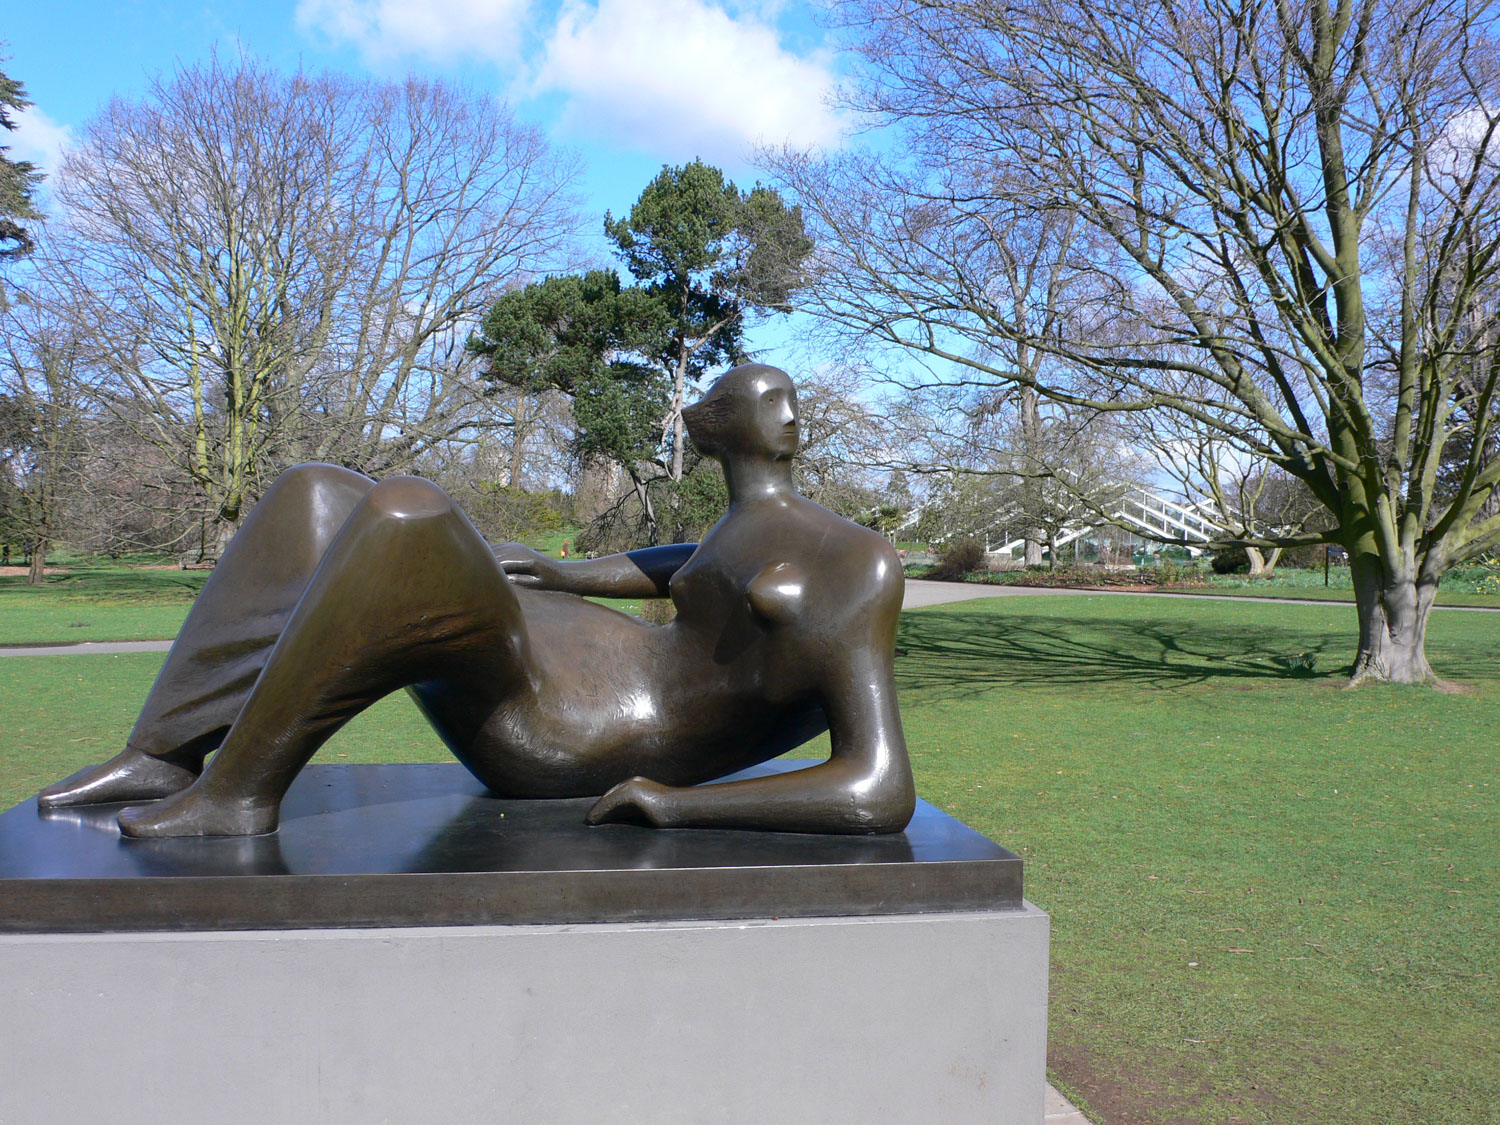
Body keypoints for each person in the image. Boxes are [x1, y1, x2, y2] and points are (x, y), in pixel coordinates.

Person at [38, 364, 914, 837]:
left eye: (787, 396)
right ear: (710, 428)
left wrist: (678, 801)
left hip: (580, 724)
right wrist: (566, 572)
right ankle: (164, 750)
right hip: (570, 654)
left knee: (407, 515)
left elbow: (878, 786)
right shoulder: (736, 531)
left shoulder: (857, 561)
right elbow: (679, 566)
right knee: (313, 492)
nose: (786, 408)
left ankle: (240, 792)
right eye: (755, 395)